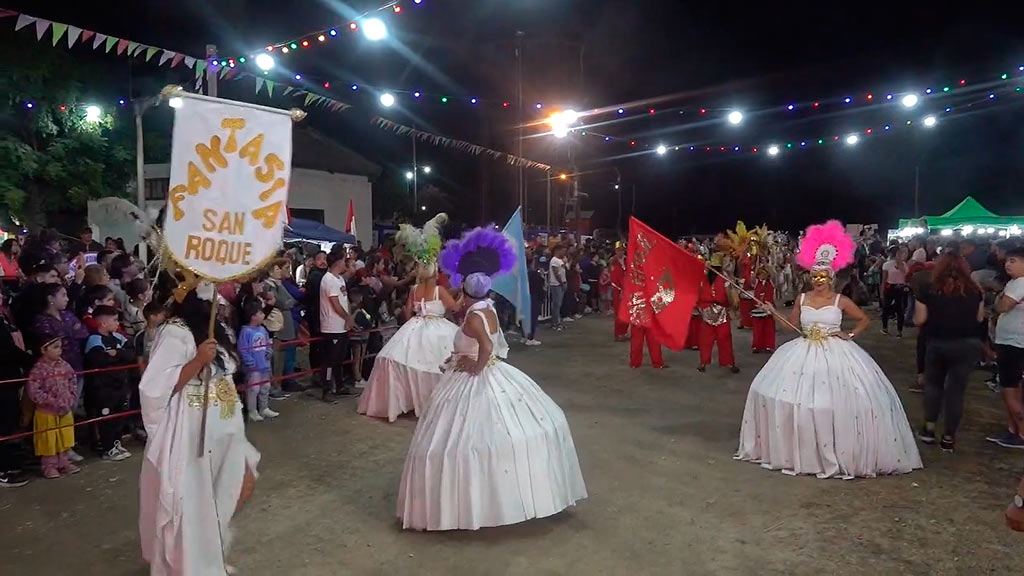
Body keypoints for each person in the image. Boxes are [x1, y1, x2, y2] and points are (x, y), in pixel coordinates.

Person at [397, 228, 587, 531]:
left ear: (469, 292)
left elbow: (485, 347)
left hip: (477, 377)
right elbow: (484, 343)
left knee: (463, 440)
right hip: (490, 370)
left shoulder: (473, 315)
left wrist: (475, 365)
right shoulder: (489, 309)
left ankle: (476, 502)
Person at [736, 220, 922, 478]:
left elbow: (864, 319)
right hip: (802, 351)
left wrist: (850, 334)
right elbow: (791, 326)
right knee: (789, 397)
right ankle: (802, 450)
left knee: (841, 402)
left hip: (836, 352)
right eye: (814, 277)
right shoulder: (802, 298)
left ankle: (837, 449)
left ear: (831, 278)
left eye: (823, 277)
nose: (818, 281)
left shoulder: (841, 300)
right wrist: (772, 311)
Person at [139, 282, 259, 575]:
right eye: (212, 299)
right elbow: (156, 387)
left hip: (227, 428)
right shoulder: (175, 332)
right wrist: (197, 361)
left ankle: (211, 557)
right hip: (192, 432)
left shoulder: (216, 328)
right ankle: (189, 565)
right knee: (192, 500)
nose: (219, 304)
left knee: (229, 490)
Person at [359, 214, 458, 420]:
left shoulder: (414, 289)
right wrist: (463, 295)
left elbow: (406, 313)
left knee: (408, 364)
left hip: (414, 327)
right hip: (438, 330)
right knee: (437, 366)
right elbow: (455, 308)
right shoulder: (440, 290)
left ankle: (409, 400)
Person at [913, 251, 985, 452]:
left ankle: (929, 429)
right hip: (966, 344)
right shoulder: (975, 290)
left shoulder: (928, 289)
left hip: (937, 342)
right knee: (956, 391)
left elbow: (919, 320)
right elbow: (979, 319)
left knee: (933, 386)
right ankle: (949, 437)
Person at [84, 305, 135, 461]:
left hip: (120, 384)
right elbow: (99, 360)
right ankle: (107, 447)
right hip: (102, 388)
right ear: (103, 323)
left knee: (120, 416)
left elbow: (131, 354)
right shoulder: (94, 339)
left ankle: (116, 443)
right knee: (107, 418)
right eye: (114, 320)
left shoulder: (119, 337)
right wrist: (118, 356)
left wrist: (116, 353)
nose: (117, 323)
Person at [26, 337, 80, 479]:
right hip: (47, 411)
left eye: (60, 347)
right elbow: (34, 391)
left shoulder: (65, 366)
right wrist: (51, 402)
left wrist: (71, 397)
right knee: (48, 439)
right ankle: (49, 466)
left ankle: (64, 462)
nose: (59, 351)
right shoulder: (38, 369)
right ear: (44, 350)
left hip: (65, 409)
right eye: (55, 347)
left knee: (64, 437)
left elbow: (73, 381)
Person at [989, 246, 1024, 449]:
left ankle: (1021, 433)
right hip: (1012, 341)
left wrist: (999, 300)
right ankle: (1013, 429)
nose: (1007, 264)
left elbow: (1002, 306)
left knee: (1009, 388)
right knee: (1014, 388)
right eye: (1007, 260)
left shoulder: (1019, 284)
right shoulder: (1014, 282)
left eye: (1014, 261)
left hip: (1013, 343)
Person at [320, 248, 357, 401]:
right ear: (337, 262)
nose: (345, 264)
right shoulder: (328, 279)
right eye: (343, 261)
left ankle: (339, 385)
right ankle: (327, 389)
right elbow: (334, 303)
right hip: (331, 326)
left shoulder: (339, 279)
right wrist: (348, 317)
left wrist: (348, 317)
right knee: (330, 359)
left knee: (339, 357)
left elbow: (343, 299)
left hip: (341, 325)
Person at [696, 254, 738, 373]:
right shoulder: (703, 277)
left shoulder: (723, 277)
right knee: (707, 339)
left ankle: (728, 362)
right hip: (708, 310)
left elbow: (728, 294)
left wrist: (731, 307)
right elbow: (699, 291)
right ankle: (703, 362)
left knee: (723, 337)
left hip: (721, 311)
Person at [238, 298, 277, 422]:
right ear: (253, 316)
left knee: (265, 386)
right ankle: (252, 410)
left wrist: (269, 351)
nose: (263, 315)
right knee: (253, 388)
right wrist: (249, 362)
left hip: (264, 364)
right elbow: (243, 348)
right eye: (260, 313)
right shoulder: (245, 332)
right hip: (253, 367)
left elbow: (267, 344)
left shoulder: (262, 330)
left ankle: (264, 407)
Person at [881, 245, 909, 337]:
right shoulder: (900, 264)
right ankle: (895, 330)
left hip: (895, 288)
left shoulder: (891, 264)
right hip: (896, 287)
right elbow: (906, 275)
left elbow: (884, 280)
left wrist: (882, 290)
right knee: (897, 309)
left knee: (891, 308)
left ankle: (888, 329)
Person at [349, 290, 374, 384]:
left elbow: (368, 318)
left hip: (362, 335)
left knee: (360, 357)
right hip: (356, 336)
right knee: (357, 357)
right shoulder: (353, 309)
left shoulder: (360, 309)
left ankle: (359, 376)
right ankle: (357, 378)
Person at [750, 265, 777, 353]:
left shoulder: (771, 282)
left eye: (763, 274)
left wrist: (767, 266)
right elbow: (752, 277)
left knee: (769, 328)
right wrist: (757, 265)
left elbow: (774, 274)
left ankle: (768, 346)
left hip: (768, 309)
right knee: (757, 328)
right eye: (760, 274)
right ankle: (757, 345)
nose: (762, 276)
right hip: (757, 309)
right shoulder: (756, 282)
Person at [609, 244, 629, 341]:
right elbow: (614, 279)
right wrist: (620, 289)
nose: (620, 252)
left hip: (627, 290)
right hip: (618, 291)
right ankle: (618, 334)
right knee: (619, 312)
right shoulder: (613, 262)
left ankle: (624, 332)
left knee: (627, 312)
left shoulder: (627, 261)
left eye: (621, 250)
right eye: (618, 250)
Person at [548, 245, 567, 331]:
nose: (564, 253)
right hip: (556, 285)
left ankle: (557, 321)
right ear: (558, 251)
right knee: (556, 304)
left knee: (559, 304)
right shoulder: (554, 260)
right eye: (563, 251)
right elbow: (556, 273)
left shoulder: (560, 260)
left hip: (561, 284)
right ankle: (555, 323)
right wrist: (561, 283)